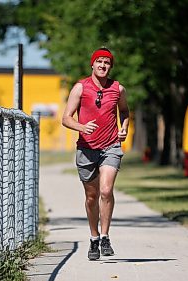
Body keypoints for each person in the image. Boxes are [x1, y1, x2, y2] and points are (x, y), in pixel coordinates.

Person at [61, 47, 130, 260]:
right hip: (86, 149)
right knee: (91, 196)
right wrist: (82, 127)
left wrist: (124, 126)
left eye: (107, 63)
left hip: (110, 146)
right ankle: (94, 238)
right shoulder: (80, 88)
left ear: (110, 67)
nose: (103, 65)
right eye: (99, 61)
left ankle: (106, 236)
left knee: (106, 190)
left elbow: (125, 111)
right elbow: (66, 118)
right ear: (92, 64)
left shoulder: (118, 89)